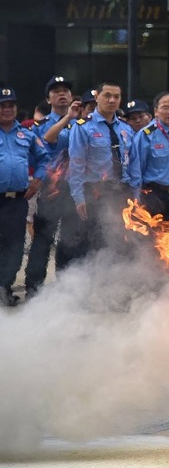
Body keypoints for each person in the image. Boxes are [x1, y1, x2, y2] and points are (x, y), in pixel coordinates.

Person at [67, 81, 135, 258]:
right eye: (107, 96)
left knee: (121, 242)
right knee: (94, 243)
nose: (112, 100)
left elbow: (132, 164)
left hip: (121, 191)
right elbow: (76, 165)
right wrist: (78, 197)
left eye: (116, 97)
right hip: (95, 192)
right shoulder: (83, 127)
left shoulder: (126, 128)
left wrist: (135, 194)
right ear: (97, 97)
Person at [27, 76, 82, 291]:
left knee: (70, 240)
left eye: (65, 91)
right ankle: (34, 287)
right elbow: (47, 142)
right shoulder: (40, 126)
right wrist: (67, 118)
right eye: (56, 91)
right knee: (43, 239)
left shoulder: (81, 124)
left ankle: (65, 287)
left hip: (74, 189)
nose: (62, 94)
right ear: (48, 99)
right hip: (50, 189)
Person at [0, 87, 48, 306]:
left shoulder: (27, 135)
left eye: (11, 105)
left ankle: (4, 288)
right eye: (2, 105)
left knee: (14, 247)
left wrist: (37, 180)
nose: (7, 109)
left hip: (16, 201)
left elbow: (44, 159)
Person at [128, 91, 169, 220]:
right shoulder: (146, 135)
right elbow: (136, 171)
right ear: (156, 111)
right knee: (154, 232)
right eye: (165, 108)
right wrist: (136, 200)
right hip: (154, 196)